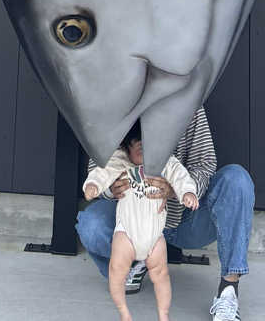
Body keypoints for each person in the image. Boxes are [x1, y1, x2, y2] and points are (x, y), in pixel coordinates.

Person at [76, 108, 253, 321]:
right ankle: (135, 262)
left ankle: (228, 289)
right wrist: (109, 189)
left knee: (236, 179)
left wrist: (179, 191)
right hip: (134, 220)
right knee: (91, 225)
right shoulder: (119, 100)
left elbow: (205, 164)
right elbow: (99, 166)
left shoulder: (187, 100)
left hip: (186, 220)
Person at [83, 120, 199, 321]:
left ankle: (163, 314)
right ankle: (124, 312)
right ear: (127, 149)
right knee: (117, 271)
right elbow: (102, 172)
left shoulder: (164, 161)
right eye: (140, 149)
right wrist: (93, 185)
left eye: (151, 147)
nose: (147, 154)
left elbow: (181, 176)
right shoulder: (120, 161)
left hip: (155, 236)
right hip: (127, 233)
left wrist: (187, 192)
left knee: (161, 274)